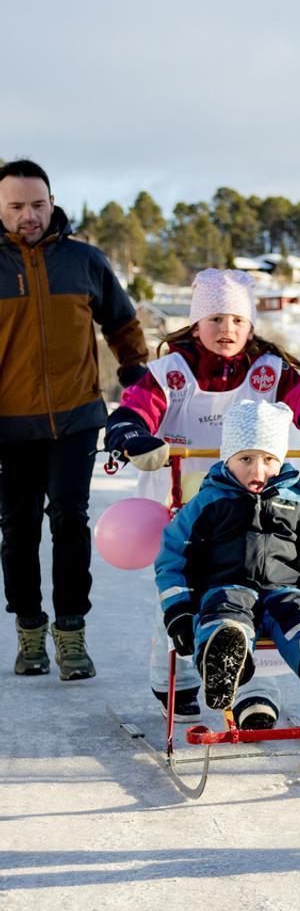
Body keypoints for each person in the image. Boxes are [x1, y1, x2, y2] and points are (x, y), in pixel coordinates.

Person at [103, 267, 300, 725]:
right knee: (180, 594)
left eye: (237, 320)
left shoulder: (269, 371)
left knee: (264, 591)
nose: (226, 330)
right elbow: (134, 409)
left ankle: (255, 689)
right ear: (196, 325)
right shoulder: (172, 373)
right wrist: (131, 435)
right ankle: (175, 680)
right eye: (215, 319)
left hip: (254, 498)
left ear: (251, 325)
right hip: (184, 501)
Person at [0, 159, 148, 681]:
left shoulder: (84, 261)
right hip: (9, 424)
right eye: (16, 206)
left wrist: (138, 380)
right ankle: (29, 632)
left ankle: (71, 634)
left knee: (69, 518)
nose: (29, 216)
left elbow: (123, 322)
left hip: (77, 417)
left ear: (51, 201)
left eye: (37, 205)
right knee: (17, 528)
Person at [154, 400, 300, 716]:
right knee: (224, 614)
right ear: (228, 458)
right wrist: (179, 611)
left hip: (286, 591)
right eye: (246, 458)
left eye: (268, 459)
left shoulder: (298, 504)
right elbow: (174, 557)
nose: (258, 470)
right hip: (226, 588)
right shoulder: (208, 503)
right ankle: (222, 656)